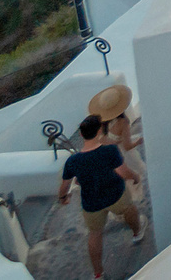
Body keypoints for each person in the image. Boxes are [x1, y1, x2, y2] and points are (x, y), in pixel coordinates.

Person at [57, 114, 146, 279]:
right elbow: (123, 172)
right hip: (116, 195)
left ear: (82, 135)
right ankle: (137, 233)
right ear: (99, 131)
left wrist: (63, 198)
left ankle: (98, 274)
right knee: (130, 209)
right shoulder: (109, 151)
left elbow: (64, 186)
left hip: (91, 204)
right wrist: (135, 177)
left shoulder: (73, 161)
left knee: (95, 234)